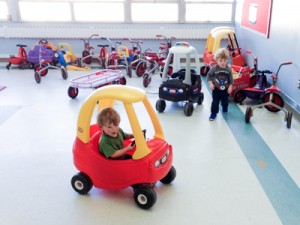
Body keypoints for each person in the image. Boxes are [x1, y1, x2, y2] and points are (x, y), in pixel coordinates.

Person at [207, 48, 234, 121]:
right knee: (215, 102)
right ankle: (213, 113)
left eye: (225, 60)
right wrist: (211, 84)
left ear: (227, 60)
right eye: (220, 61)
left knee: (225, 101)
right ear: (217, 60)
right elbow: (209, 76)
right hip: (216, 89)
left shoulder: (228, 69)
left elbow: (231, 79)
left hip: (225, 89)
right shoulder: (214, 68)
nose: (223, 63)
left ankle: (225, 106)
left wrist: (230, 87)